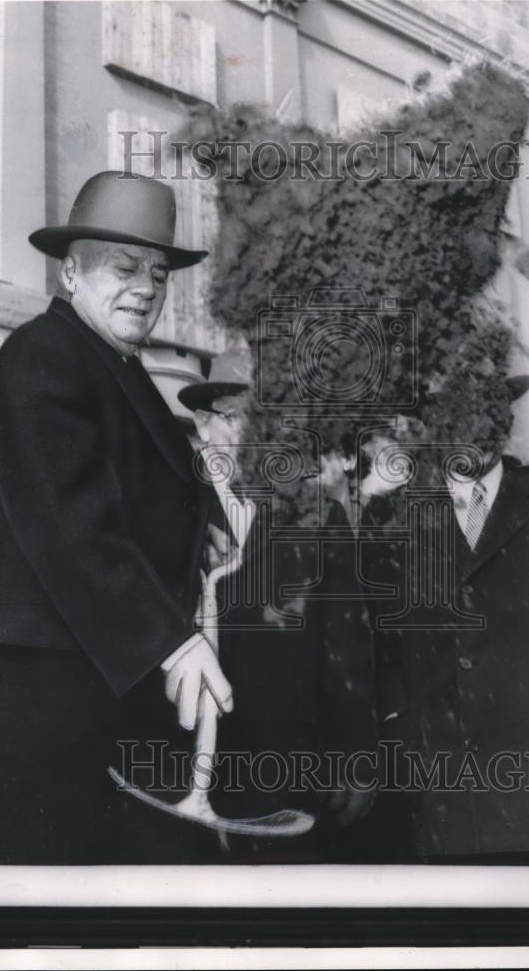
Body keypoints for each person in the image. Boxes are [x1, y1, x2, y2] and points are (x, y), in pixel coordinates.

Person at [0, 171, 233, 864]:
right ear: (70, 271)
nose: (146, 286)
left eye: (160, 272)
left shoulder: (117, 369)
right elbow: (70, 520)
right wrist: (170, 638)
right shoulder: (43, 357)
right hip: (16, 727)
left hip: (78, 719)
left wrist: (202, 530)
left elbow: (143, 496)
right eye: (124, 266)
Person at [178, 350, 378, 862]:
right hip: (178, 769)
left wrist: (356, 755)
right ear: (205, 425)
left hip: (288, 770)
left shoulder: (318, 513)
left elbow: (347, 648)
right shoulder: (171, 508)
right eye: (239, 416)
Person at [362, 374, 529, 862]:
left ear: (506, 421)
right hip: (435, 782)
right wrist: (401, 733)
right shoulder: (392, 516)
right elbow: (379, 641)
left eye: (486, 410)